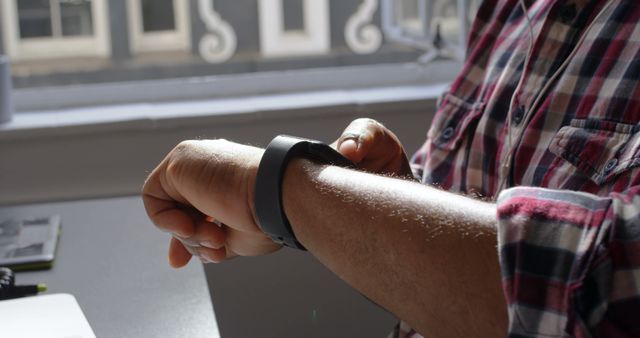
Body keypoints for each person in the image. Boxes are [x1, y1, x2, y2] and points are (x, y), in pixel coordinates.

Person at [142, 0, 640, 337]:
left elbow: (599, 289)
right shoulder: (515, 12)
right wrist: (383, 194)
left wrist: (276, 190)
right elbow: (482, 231)